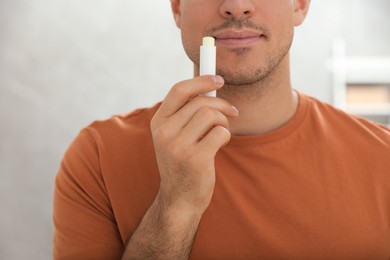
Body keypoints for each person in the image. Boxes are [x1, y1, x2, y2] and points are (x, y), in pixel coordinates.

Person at [53, 0, 390, 259]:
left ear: (299, 4)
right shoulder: (98, 157)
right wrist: (177, 205)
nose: (235, 5)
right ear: (177, 8)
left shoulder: (383, 159)